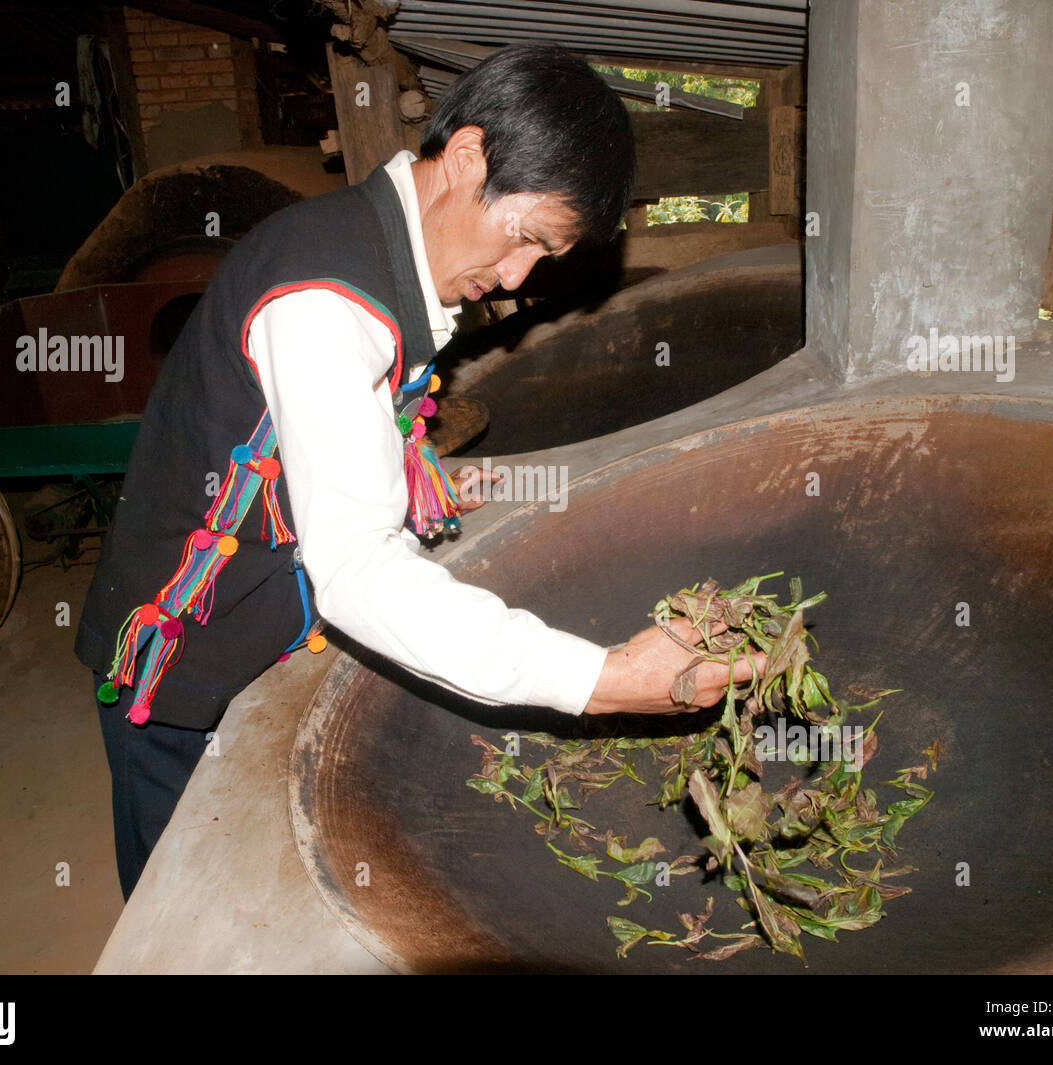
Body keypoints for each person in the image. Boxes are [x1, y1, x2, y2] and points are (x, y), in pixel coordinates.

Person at [75, 41, 765, 901]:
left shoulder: (384, 245)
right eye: (525, 239)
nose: (513, 278)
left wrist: (406, 480)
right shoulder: (327, 300)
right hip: (181, 668)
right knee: (184, 899)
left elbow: (322, 438)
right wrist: (600, 679)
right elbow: (357, 572)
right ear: (468, 156)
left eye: (543, 260)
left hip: (264, 624)